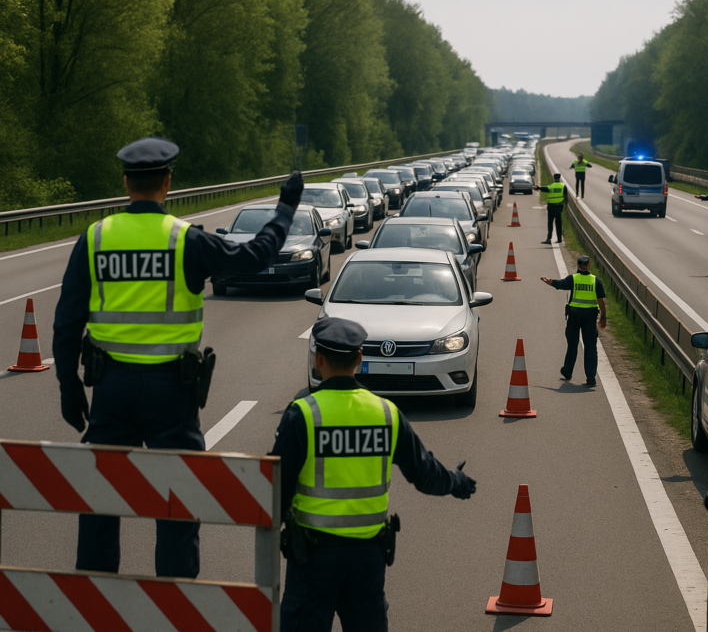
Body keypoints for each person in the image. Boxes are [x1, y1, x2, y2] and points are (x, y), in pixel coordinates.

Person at [52, 136, 304, 578]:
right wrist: (285, 208)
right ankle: (176, 602)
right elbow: (256, 256)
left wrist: (69, 386)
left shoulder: (96, 238)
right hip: (171, 392)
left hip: (111, 389)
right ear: (168, 182)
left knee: (99, 496)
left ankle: (93, 599)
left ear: (126, 182)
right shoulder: (185, 240)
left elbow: (67, 321)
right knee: (179, 501)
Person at [273, 317, 476, 632]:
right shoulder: (386, 413)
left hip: (312, 557)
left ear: (319, 359)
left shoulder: (302, 415)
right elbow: (424, 474)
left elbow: (275, 489)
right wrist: (456, 481)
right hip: (367, 559)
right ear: (359, 358)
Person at [540, 255, 607, 387]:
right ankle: (591, 377)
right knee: (590, 347)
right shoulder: (596, 281)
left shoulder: (573, 279)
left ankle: (567, 371)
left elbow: (560, 284)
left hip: (574, 316)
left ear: (578, 265)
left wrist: (550, 281)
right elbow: (601, 300)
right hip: (590, 316)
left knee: (572, 345)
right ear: (589, 265)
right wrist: (603, 316)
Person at [533, 172, 566, 244]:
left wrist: (538, 188)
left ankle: (549, 239)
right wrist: (565, 205)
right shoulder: (563, 186)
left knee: (550, 223)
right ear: (559, 178)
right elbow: (565, 196)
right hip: (559, 206)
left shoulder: (551, 186)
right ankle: (559, 239)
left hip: (551, 207)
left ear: (554, 178)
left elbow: (544, 188)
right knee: (558, 223)